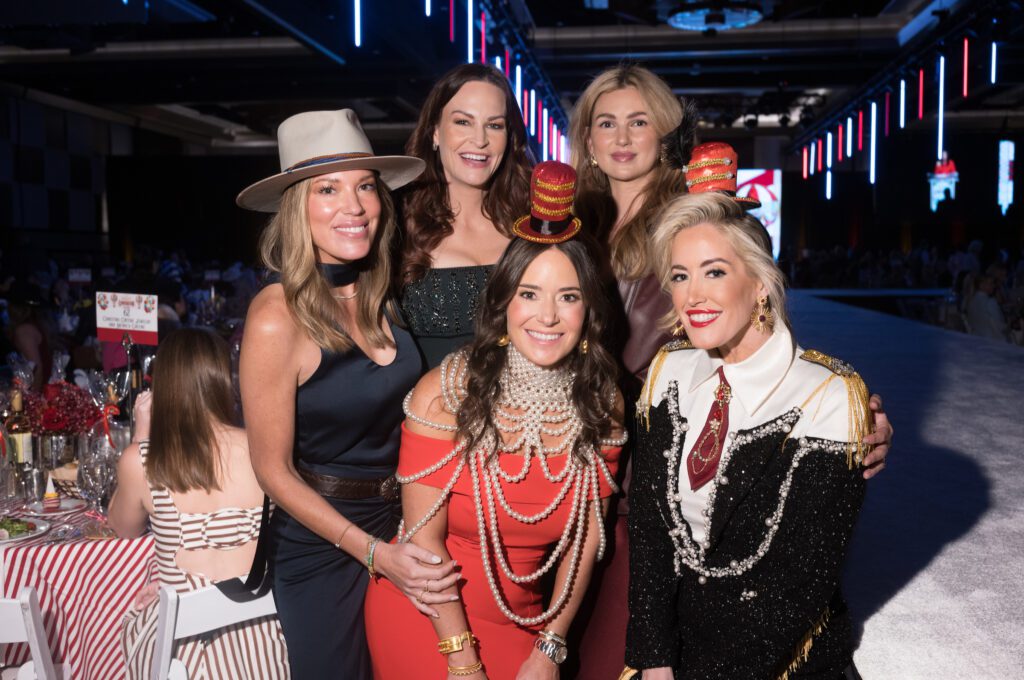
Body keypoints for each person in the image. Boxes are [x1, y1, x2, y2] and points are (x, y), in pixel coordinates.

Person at [567, 67, 893, 674]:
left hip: (654, 468)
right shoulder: (564, 223)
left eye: (640, 121)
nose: (622, 137)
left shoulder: (701, 219)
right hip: (571, 464)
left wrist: (848, 412)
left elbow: (753, 328)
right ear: (585, 138)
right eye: (605, 122)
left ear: (667, 135)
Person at [365, 163, 625, 679]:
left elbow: (584, 540)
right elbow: (423, 540)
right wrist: (464, 666)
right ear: (504, 302)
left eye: (567, 297)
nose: (547, 316)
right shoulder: (447, 392)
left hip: (532, 622)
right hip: (430, 614)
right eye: (529, 293)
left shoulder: (604, 400)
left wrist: (550, 647)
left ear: (588, 309)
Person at [236, 109, 456, 679]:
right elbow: (272, 471)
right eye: (328, 189)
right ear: (296, 208)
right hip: (323, 543)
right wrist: (373, 553)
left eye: (365, 186)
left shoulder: (383, 296)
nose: (354, 206)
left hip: (401, 524)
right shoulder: (275, 315)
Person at [625, 191, 871, 679]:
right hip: (674, 653)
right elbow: (651, 538)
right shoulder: (667, 372)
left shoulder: (827, 395)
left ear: (760, 282)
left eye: (714, 271)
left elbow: (797, 587)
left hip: (779, 663)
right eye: (680, 276)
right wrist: (653, 662)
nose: (692, 295)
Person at [109, 328, 289, 679]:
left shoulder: (142, 461)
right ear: (223, 380)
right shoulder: (263, 447)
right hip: (263, 644)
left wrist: (141, 438)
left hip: (180, 653)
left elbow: (123, 528)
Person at [400, 63, 532, 369]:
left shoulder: (533, 225)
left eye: (495, 125)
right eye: (463, 122)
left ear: (509, 137)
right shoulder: (395, 225)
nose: (480, 139)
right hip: (428, 411)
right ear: (434, 132)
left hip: (522, 411)